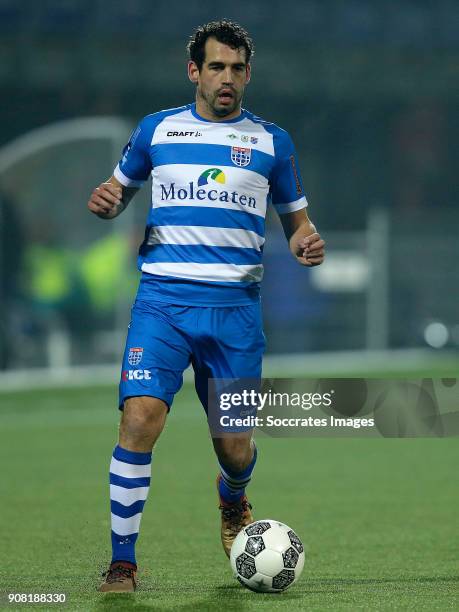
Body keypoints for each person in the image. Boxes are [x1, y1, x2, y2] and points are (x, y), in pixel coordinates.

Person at [88, 19, 325, 593]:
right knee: (140, 419)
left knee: (236, 448)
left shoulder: (273, 142)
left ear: (248, 74)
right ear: (194, 70)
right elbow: (119, 190)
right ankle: (123, 561)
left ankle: (233, 498)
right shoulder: (156, 131)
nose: (227, 79)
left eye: (237, 69)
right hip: (162, 306)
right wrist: (110, 202)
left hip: (235, 314)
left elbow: (298, 223)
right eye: (216, 67)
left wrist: (304, 241)